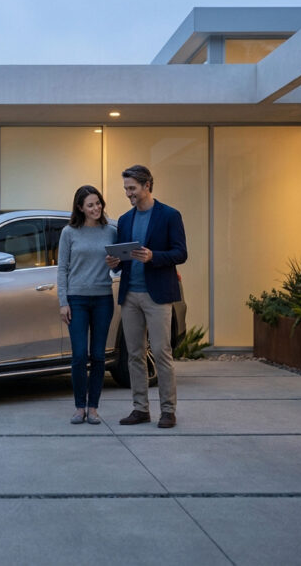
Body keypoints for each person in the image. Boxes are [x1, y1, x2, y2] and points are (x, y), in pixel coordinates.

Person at [105, 165, 187, 429]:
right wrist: (114, 262)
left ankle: (168, 411)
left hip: (158, 296)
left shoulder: (170, 215)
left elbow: (180, 253)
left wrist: (154, 257)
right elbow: (122, 262)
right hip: (130, 295)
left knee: (162, 353)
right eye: (126, 189)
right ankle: (140, 409)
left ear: (147, 185)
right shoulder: (125, 220)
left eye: (132, 188)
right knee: (134, 355)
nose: (128, 193)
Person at [57, 185, 117, 425]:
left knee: (99, 355)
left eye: (98, 203)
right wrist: (63, 302)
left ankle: (94, 408)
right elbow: (62, 269)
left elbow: (117, 264)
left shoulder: (111, 231)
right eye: (90, 205)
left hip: (103, 298)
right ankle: (79, 407)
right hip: (77, 300)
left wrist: (115, 264)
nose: (96, 208)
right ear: (80, 208)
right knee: (80, 355)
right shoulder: (69, 233)